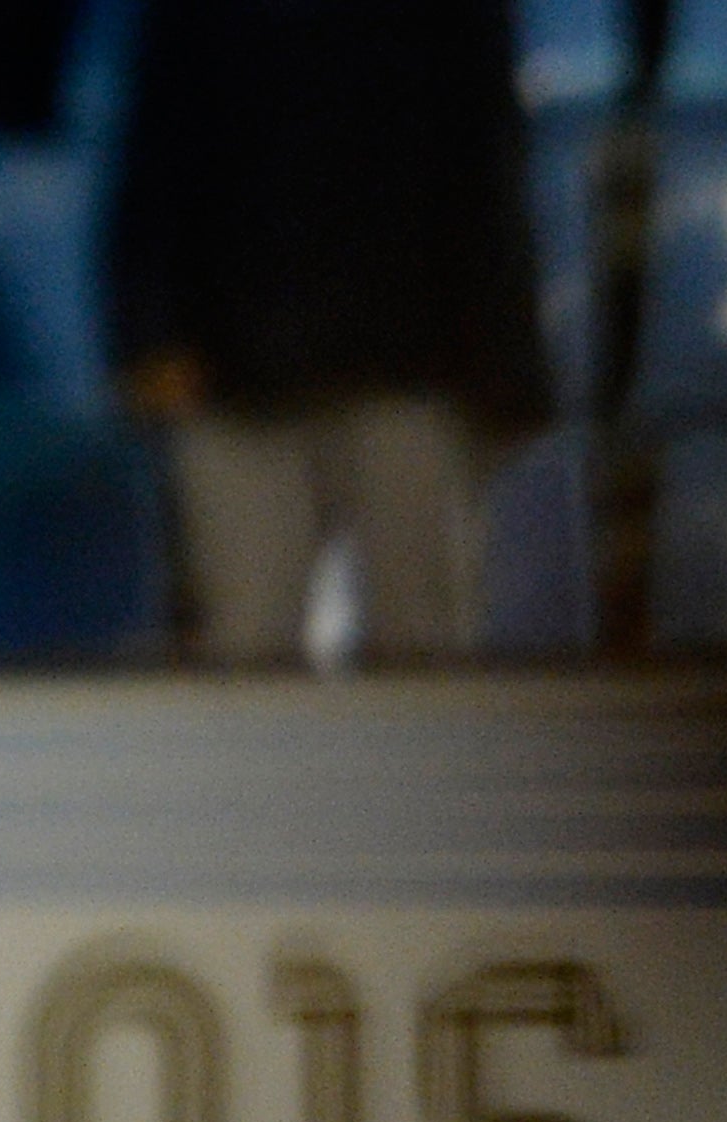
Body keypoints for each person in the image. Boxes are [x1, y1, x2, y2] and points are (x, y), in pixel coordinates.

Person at [108, 0, 555, 669]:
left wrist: (507, 366)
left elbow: (486, 165)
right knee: (247, 647)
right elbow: (154, 154)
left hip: (414, 364)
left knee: (427, 650)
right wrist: (152, 337)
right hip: (236, 364)